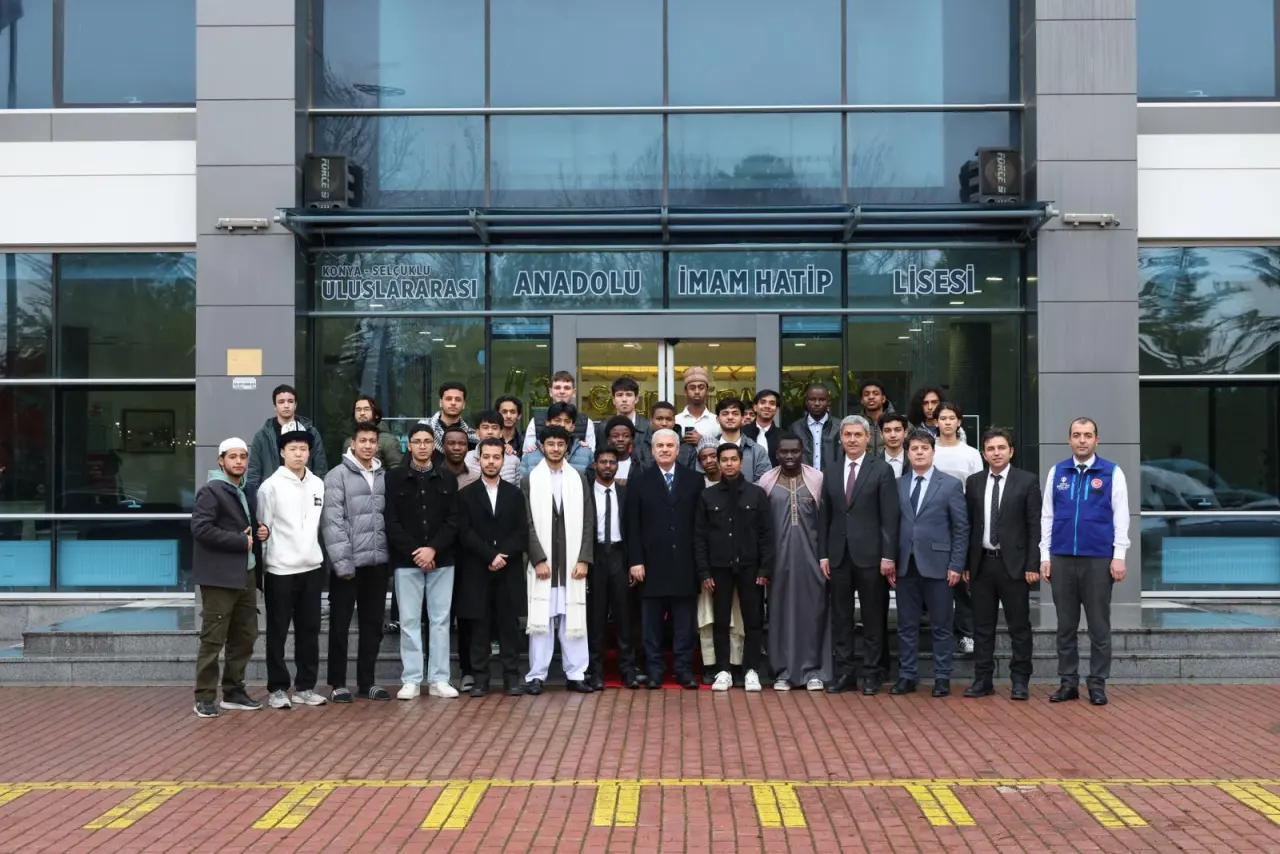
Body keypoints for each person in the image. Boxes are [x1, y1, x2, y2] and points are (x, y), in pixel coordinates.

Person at [1041, 417, 1130, 707]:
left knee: (1098, 627)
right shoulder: (1057, 472)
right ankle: (1068, 682)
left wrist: (1119, 556)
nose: (1082, 440)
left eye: (1087, 435)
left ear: (1096, 440)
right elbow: (1047, 516)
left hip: (1098, 560)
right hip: (1062, 558)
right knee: (1065, 626)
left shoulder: (1111, 472)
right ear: (1069, 439)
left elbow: (1121, 517)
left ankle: (1097, 684)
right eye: (1077, 435)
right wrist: (1045, 555)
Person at [819, 415, 899, 695]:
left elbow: (890, 516)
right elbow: (825, 516)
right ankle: (845, 674)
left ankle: (873, 673)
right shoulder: (831, 470)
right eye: (847, 435)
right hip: (838, 556)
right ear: (841, 438)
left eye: (857, 435)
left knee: (873, 617)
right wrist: (823, 555)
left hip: (872, 557)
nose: (852, 439)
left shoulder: (881, 470)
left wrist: (888, 555)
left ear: (867, 438)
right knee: (841, 618)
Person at [191, 438, 268, 717]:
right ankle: (204, 697)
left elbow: (246, 527)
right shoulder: (211, 490)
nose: (238, 461)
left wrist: (260, 532)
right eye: (232, 457)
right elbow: (200, 529)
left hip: (245, 573)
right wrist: (239, 540)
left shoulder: (246, 489)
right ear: (221, 460)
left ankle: (234, 692)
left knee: (245, 636)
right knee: (214, 638)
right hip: (219, 577)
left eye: (242, 457)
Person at [965, 428, 1041, 701]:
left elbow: (1034, 526)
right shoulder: (974, 482)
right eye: (990, 449)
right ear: (983, 454)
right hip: (982, 565)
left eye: (1001, 448)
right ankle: (982, 680)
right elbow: (968, 525)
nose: (996, 453)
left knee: (1019, 627)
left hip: (1015, 567)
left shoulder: (1027, 481)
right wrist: (966, 563)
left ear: (1011, 451)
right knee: (982, 627)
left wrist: (1032, 564)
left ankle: (1020, 681)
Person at [385, 423, 460, 701]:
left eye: (427, 441)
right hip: (407, 561)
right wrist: (417, 551)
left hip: (442, 560)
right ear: (409, 445)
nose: (422, 446)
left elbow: (453, 520)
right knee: (409, 621)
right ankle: (412, 679)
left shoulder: (447, 478)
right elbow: (391, 521)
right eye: (417, 441)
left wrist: (433, 550)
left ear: (433, 445)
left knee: (440, 621)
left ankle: (439, 679)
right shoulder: (394, 478)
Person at [894, 430, 969, 698]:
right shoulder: (898, 484)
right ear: (908, 453)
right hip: (905, 565)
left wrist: (956, 565)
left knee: (941, 625)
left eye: (924, 448)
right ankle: (907, 675)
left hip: (939, 565)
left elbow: (961, 528)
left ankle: (942, 677)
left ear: (933, 452)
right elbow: (891, 526)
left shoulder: (949, 485)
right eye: (914, 449)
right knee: (906, 625)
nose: (919, 453)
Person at [626, 428, 703, 690]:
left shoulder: (694, 480)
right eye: (660, 446)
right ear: (652, 450)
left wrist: (700, 565)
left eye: (670, 446)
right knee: (651, 625)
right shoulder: (639, 481)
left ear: (678, 450)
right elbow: (632, 525)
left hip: (685, 564)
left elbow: (700, 526)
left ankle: (683, 670)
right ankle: (654, 671)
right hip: (651, 565)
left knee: (685, 625)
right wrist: (635, 561)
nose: (665, 450)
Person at [522, 424, 595, 694]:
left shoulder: (578, 478)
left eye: (560, 444)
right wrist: (538, 558)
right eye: (550, 444)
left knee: (573, 620)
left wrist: (584, 558)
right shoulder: (530, 479)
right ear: (542, 446)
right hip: (544, 563)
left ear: (567, 447)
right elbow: (526, 523)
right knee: (541, 622)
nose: (555, 448)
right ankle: (536, 676)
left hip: (572, 562)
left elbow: (588, 520)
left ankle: (576, 674)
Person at [256, 430, 327, 709]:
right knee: (277, 632)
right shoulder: (270, 487)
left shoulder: (318, 484)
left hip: (312, 567)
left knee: (309, 631)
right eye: (293, 449)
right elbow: (264, 530)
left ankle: (305, 687)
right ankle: (277, 688)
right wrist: (263, 571)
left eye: (303, 449)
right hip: (280, 570)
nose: (299, 454)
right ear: (282, 452)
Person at [695, 444, 773, 693]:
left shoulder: (757, 494)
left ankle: (751, 670)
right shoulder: (708, 496)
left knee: (752, 620)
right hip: (719, 567)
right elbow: (700, 537)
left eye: (733, 459)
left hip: (751, 567)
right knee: (720, 621)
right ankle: (723, 670)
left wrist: (765, 569)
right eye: (724, 460)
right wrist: (704, 571)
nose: (729, 464)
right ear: (718, 463)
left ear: (741, 462)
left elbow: (766, 534)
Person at [322, 421, 390, 703]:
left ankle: (367, 682)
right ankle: (337, 683)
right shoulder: (336, 476)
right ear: (353, 443)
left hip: (377, 563)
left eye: (372, 441)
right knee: (340, 626)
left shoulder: (383, 476)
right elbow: (332, 522)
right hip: (347, 566)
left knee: (372, 626)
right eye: (363, 440)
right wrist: (343, 564)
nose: (367, 445)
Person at [456, 438, 528, 697]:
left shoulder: (515, 494)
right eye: (486, 457)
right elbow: (465, 532)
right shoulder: (466, 494)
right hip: (477, 569)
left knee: (509, 627)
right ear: (479, 459)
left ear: (503, 460)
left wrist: (502, 555)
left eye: (496, 457)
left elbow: (522, 531)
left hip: (508, 570)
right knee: (479, 627)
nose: (491, 462)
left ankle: (512, 678)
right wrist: (490, 555)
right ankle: (480, 680)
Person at [759, 434, 830, 692]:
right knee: (779, 614)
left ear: (803, 452)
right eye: (784, 452)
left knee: (813, 613)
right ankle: (783, 672)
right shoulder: (766, 481)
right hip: (778, 562)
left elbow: (827, 521)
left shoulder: (817, 479)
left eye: (795, 451)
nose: (789, 456)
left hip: (812, 561)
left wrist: (825, 557)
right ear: (776, 454)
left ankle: (814, 671)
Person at [584, 446, 639, 690]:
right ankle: (595, 672)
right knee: (595, 618)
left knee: (624, 617)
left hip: (619, 555)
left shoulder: (626, 493)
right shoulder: (585, 493)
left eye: (612, 462)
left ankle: (628, 670)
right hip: (594, 556)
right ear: (595, 464)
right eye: (603, 462)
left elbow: (634, 530)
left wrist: (633, 562)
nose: (608, 466)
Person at [932, 402, 983, 659]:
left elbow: (978, 490)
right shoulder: (929, 450)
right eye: (943, 418)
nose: (947, 422)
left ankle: (966, 634)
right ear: (936, 422)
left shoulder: (971, 453)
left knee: (961, 580)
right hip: (933, 522)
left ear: (959, 421)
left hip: (962, 520)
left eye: (952, 418)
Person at [247, 384, 328, 489]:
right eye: (281, 402)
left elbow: (320, 467)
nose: (286, 405)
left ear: (295, 405)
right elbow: (254, 473)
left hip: (305, 490)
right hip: (273, 492)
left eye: (290, 401)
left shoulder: (311, 432)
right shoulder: (262, 436)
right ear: (274, 406)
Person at [523, 371, 596, 453]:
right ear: (550, 392)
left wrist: (585, 449)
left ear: (574, 393)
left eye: (567, 388)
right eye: (557, 388)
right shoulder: (535, 421)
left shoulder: (586, 422)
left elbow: (591, 455)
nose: (562, 392)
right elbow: (527, 454)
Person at [521, 402, 593, 476]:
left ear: (572, 427)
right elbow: (523, 481)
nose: (562, 425)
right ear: (548, 423)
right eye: (557, 420)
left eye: (567, 422)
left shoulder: (586, 453)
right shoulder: (530, 454)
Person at [710, 397, 771, 483]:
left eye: (735, 413)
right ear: (717, 419)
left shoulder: (757, 451)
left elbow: (765, 482)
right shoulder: (709, 449)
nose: (730, 417)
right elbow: (701, 480)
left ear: (742, 418)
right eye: (725, 414)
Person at [598, 376, 652, 465]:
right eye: (619, 395)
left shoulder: (648, 427)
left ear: (636, 399)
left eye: (629, 395)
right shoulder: (603, 427)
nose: (624, 399)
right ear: (613, 400)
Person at [788, 383, 839, 472]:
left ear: (828, 402)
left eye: (822, 400)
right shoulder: (795, 428)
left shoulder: (839, 427)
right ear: (806, 402)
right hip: (804, 477)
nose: (817, 403)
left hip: (832, 478)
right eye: (812, 399)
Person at [466, 409, 521, 485]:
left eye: (494, 428)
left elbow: (517, 489)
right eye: (485, 427)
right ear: (477, 432)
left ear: (501, 432)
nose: (490, 432)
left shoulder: (513, 460)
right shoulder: (467, 459)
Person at [354, 394, 403, 468]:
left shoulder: (388, 440)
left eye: (366, 409)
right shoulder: (349, 441)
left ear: (376, 415)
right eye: (358, 410)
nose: (362, 413)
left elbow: (397, 471)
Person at [676, 366, 719, 449]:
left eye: (701, 387)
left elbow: (723, 450)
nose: (697, 391)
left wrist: (702, 440)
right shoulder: (676, 421)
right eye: (692, 388)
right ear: (685, 391)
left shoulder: (717, 421)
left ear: (707, 390)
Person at [424, 381, 478, 448]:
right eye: (448, 399)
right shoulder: (424, 430)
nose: (453, 403)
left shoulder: (472, 438)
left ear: (464, 404)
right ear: (440, 402)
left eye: (458, 399)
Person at [650, 401, 699, 470]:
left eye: (669, 419)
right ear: (651, 420)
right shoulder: (640, 446)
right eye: (659, 419)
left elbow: (689, 476)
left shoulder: (688, 450)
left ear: (674, 421)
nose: (664, 423)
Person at [743, 389, 782, 468]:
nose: (767, 406)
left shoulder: (783, 436)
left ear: (777, 410)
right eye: (763, 402)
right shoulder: (742, 433)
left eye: (772, 403)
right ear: (755, 407)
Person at [597, 415, 641, 484]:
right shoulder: (597, 467)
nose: (620, 439)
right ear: (608, 439)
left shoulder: (641, 467)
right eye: (615, 436)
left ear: (632, 439)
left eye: (626, 436)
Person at [857, 378, 895, 457]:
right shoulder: (855, 423)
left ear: (883, 399)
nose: (871, 397)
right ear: (862, 400)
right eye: (866, 394)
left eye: (876, 394)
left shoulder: (898, 422)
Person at [879, 413, 909, 478]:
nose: (893, 435)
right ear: (881, 434)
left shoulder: (914, 462)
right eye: (887, 431)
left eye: (897, 430)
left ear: (905, 433)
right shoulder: (874, 464)